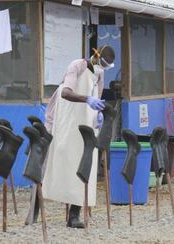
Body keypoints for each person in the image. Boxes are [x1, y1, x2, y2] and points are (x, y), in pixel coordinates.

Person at [42, 45, 115, 228]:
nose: (103, 68)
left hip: (86, 122)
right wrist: (87, 100)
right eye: (103, 64)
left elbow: (96, 96)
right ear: (96, 57)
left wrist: (98, 112)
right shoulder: (77, 66)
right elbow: (66, 92)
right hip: (67, 118)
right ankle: (38, 205)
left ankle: (74, 215)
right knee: (59, 158)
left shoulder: (99, 75)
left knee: (84, 164)